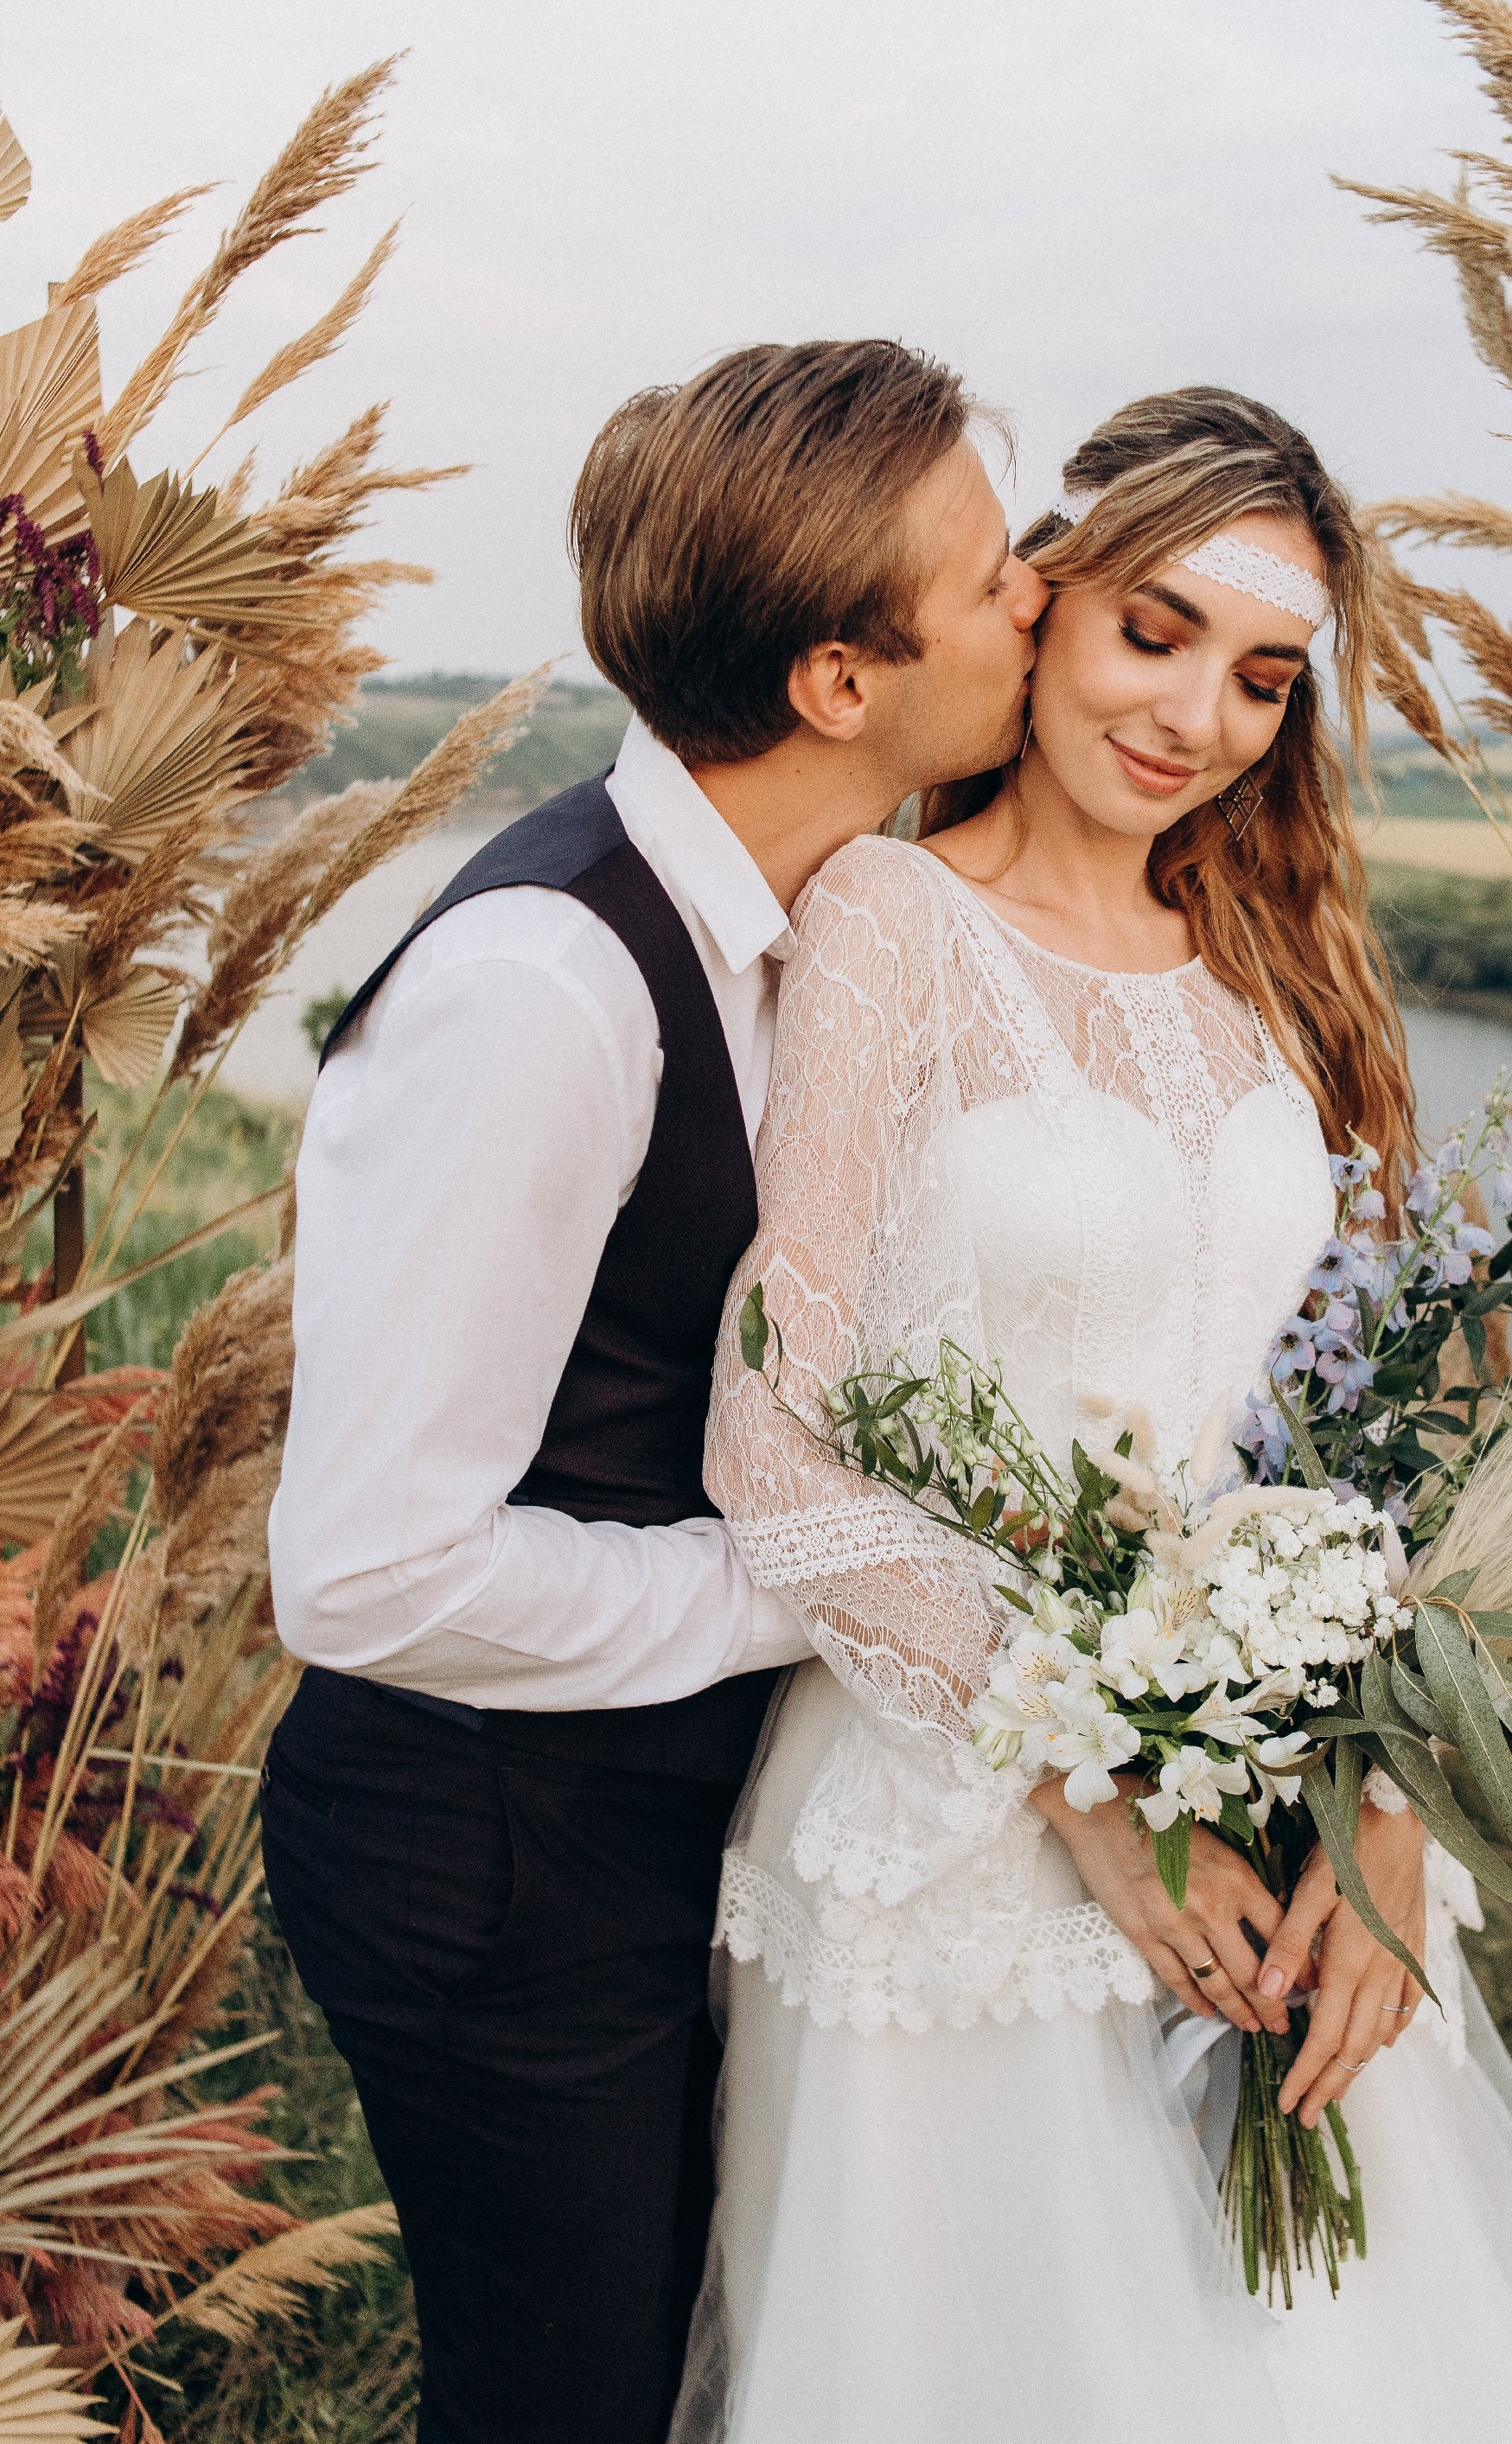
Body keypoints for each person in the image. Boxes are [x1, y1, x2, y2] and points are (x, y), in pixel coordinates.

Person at [682, 386, 1512, 2444]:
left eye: (1262, 676)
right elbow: (772, 1429)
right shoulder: (891, 924)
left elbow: (1357, 1446)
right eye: (1155, 632)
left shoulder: (1270, 976)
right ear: (1042, 602)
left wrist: (1387, 1806)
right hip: (961, 1827)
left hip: (1287, 1823)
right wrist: (1091, 1791)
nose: (1198, 713)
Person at [259, 337, 1049, 2444]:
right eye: (988, 578)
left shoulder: (806, 926)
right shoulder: (550, 990)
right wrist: (804, 1583)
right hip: (491, 1865)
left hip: (645, 1821)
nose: (1036, 599)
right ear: (838, 684)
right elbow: (367, 1572)